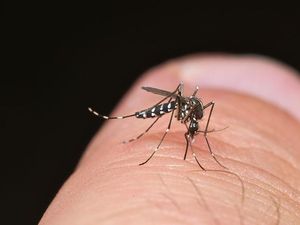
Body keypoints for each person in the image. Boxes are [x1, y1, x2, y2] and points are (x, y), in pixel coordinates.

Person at [39, 55, 300, 225]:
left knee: (194, 101)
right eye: (195, 129)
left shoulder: (199, 112)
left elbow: (200, 113)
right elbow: (184, 108)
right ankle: (142, 131)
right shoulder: (189, 111)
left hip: (182, 106)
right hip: (170, 106)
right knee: (177, 102)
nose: (194, 129)